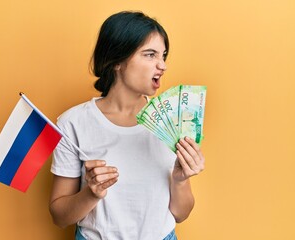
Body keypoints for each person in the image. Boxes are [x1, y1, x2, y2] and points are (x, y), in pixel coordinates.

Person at [49, 11, 205, 240]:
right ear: (117, 62)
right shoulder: (73, 123)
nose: (162, 65)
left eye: (163, 55)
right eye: (150, 55)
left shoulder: (171, 121)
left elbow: (181, 213)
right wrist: (91, 194)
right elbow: (59, 216)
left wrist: (180, 179)